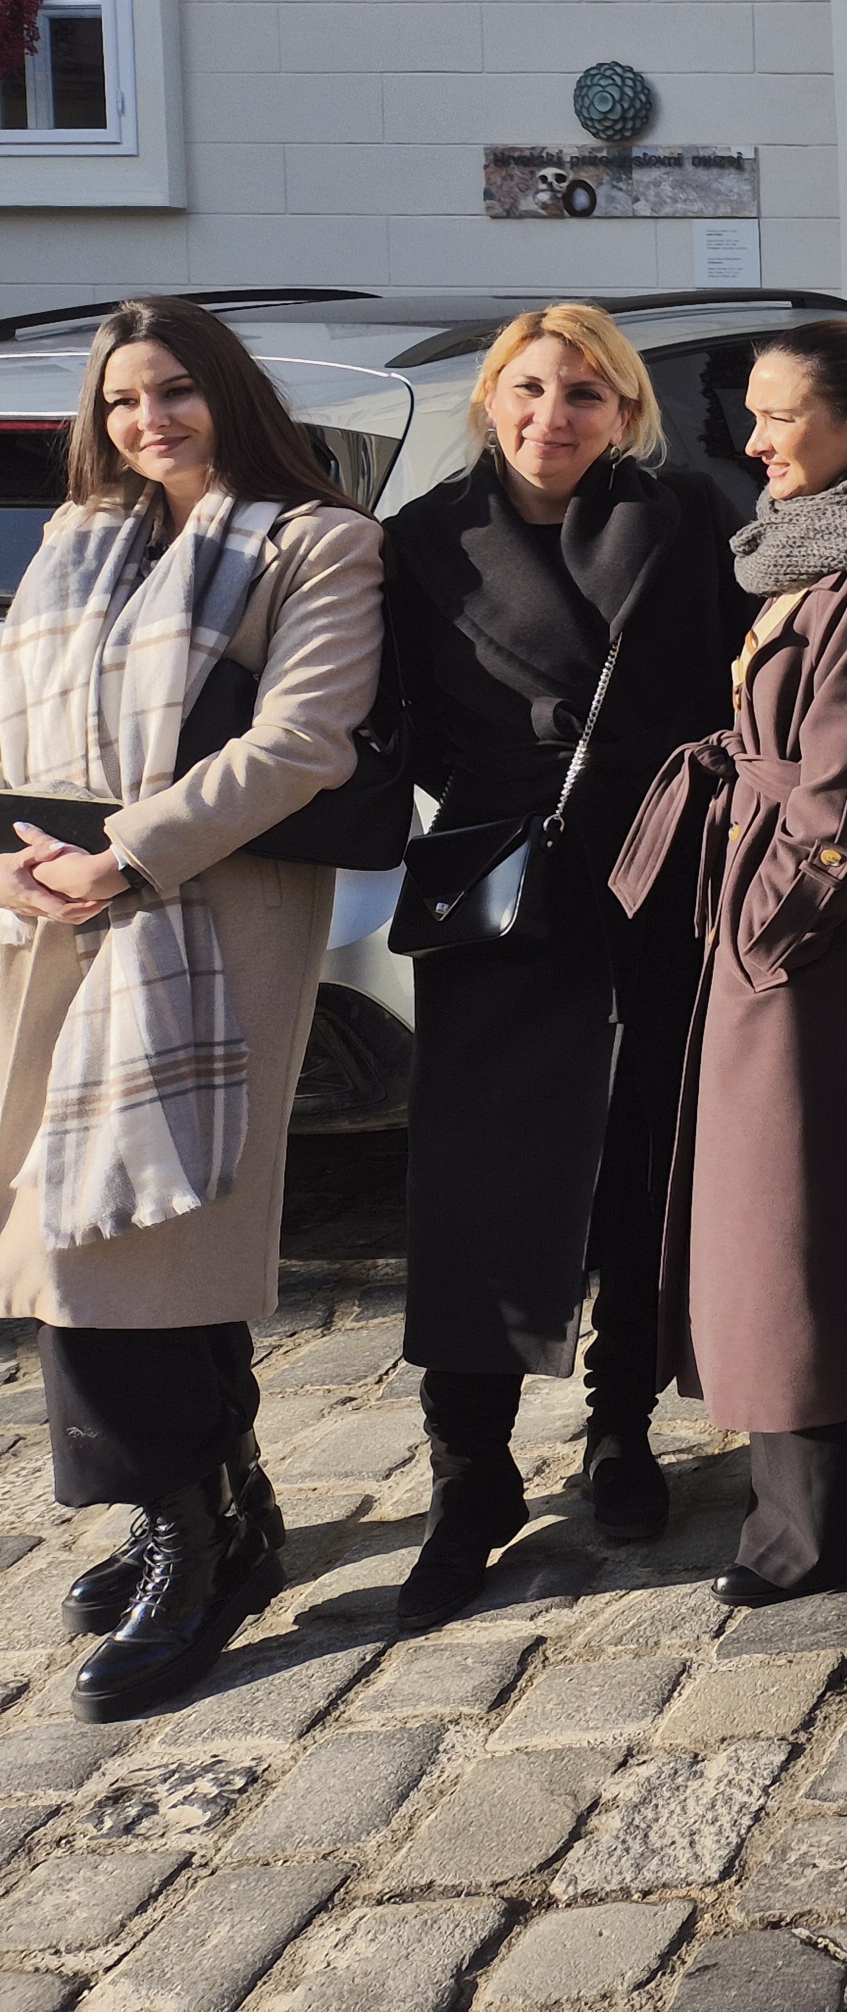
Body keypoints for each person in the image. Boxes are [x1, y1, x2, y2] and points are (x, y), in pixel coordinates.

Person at [0, 299, 387, 1723]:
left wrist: (126, 853)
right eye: (120, 401)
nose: (147, 421)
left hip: (206, 915)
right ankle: (226, 1497)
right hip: (53, 916)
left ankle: (187, 1540)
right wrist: (12, 859)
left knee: (122, 1236)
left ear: (227, 393)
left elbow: (304, 741)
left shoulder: (316, 542)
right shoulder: (74, 540)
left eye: (173, 391)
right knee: (109, 1222)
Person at [611, 314, 847, 1603]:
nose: (753, 441)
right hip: (800, 941)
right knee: (844, 1213)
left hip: (816, 952)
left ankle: (819, 1523)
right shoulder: (823, 552)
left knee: (794, 1226)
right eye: (754, 415)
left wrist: (761, 933)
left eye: (780, 417)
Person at [379, 304, 735, 1631]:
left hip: (655, 881)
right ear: (491, 400)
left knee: (638, 1166)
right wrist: (508, 796)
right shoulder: (425, 540)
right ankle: (468, 1475)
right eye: (528, 390)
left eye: (585, 394)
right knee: (476, 1189)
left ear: (626, 413)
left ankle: (619, 1427)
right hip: (505, 893)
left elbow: (726, 687)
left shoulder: (681, 521)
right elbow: (398, 720)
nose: (552, 416)